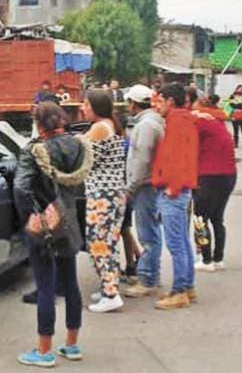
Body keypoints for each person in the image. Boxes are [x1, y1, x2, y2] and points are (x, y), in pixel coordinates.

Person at [12, 102, 92, 368]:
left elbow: (21, 187)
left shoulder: (35, 150)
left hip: (45, 222)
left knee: (46, 285)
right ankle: (72, 344)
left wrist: (30, 215)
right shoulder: (78, 145)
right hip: (70, 219)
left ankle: (44, 350)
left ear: (39, 124)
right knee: (70, 282)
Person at [151, 83, 199, 311]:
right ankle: (186, 286)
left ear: (170, 101)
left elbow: (177, 157)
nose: (157, 106)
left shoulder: (177, 122)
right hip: (179, 188)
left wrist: (173, 187)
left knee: (176, 243)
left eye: (160, 101)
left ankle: (180, 291)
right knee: (182, 241)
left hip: (173, 190)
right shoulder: (183, 119)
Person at [79, 90, 128, 313]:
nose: (82, 108)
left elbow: (84, 156)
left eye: (86, 104)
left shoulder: (99, 128)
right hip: (115, 192)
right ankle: (109, 286)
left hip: (102, 194)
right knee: (109, 242)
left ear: (96, 107)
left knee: (97, 243)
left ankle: (111, 294)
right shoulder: (111, 124)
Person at [122, 84, 165, 299]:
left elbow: (142, 160)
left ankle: (147, 279)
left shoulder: (146, 126)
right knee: (151, 232)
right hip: (149, 184)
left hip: (145, 186)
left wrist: (130, 187)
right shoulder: (153, 122)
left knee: (147, 234)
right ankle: (151, 275)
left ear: (134, 103)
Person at [191, 98, 236, 273]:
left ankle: (206, 259)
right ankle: (218, 258)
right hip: (228, 174)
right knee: (217, 218)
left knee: (200, 218)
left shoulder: (200, 120)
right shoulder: (219, 121)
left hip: (208, 174)